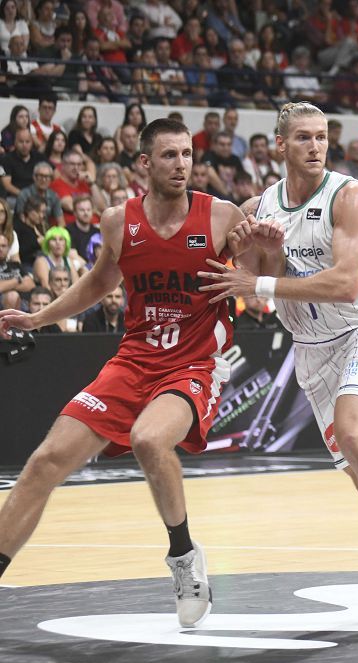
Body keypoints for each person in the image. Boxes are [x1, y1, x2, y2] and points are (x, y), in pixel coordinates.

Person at [198, 102, 358, 619]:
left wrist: (261, 279)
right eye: (303, 139)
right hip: (311, 349)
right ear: (279, 146)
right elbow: (252, 284)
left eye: (321, 137)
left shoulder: (349, 196)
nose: (315, 147)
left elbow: (344, 283)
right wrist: (262, 253)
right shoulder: (259, 207)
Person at [0, 118, 254, 628]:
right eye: (168, 155)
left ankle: (184, 559)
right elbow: (99, 282)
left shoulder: (222, 216)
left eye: (186, 154)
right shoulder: (119, 220)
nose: (181, 164)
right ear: (144, 162)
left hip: (194, 362)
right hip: (133, 360)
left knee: (148, 439)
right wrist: (39, 316)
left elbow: (263, 274)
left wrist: (257, 249)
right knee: (46, 461)